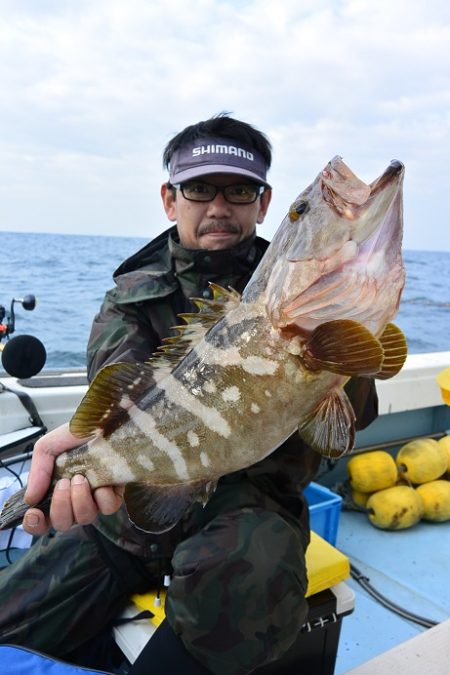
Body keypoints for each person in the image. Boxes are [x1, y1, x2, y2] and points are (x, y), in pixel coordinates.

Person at [0, 114, 378, 674]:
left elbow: (349, 424)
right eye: (199, 188)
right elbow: (120, 399)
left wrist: (345, 350)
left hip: (253, 506)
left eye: (239, 189)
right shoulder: (128, 298)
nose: (218, 206)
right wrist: (85, 460)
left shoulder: (297, 286)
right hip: (128, 513)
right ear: (169, 198)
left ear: (264, 202)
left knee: (243, 606)